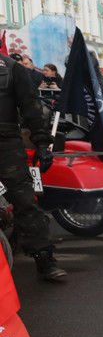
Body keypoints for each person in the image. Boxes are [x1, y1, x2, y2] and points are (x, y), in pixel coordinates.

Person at [0, 52, 65, 281]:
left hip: (5, 143)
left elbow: (31, 107)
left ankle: (45, 260)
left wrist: (42, 143)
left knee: (25, 201)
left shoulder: (11, 68)